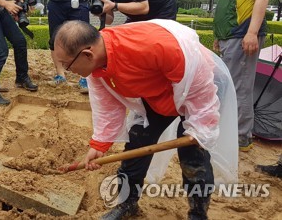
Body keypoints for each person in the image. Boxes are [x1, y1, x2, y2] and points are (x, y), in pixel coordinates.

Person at [53, 20, 237, 220]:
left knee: (194, 157)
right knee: (135, 146)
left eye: (67, 65)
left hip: (198, 88)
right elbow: (107, 107)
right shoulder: (97, 67)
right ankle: (128, 203)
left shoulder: (159, 46)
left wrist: (200, 129)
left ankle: (198, 214)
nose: (67, 71)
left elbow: (200, 86)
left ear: (87, 54)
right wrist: (99, 145)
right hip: (156, 96)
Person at [213, 0, 270, 151]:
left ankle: (241, 137)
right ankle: (232, 131)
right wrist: (220, 35)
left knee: (240, 88)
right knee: (229, 86)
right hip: (231, 36)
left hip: (242, 35)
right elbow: (232, 4)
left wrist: (252, 32)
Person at [30, 0, 100, 92]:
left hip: (79, 0)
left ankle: (85, 78)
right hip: (56, 1)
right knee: (55, 39)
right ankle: (60, 74)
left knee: (83, 39)